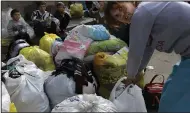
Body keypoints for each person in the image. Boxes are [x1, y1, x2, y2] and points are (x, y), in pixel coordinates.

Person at [104, 1, 190, 112]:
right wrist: (137, 72)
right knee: (169, 89)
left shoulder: (142, 12)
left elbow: (135, 52)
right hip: (186, 57)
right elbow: (147, 49)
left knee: (172, 103)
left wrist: (130, 77)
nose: (123, 14)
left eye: (121, 8)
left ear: (130, 2)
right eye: (117, 16)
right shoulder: (144, 17)